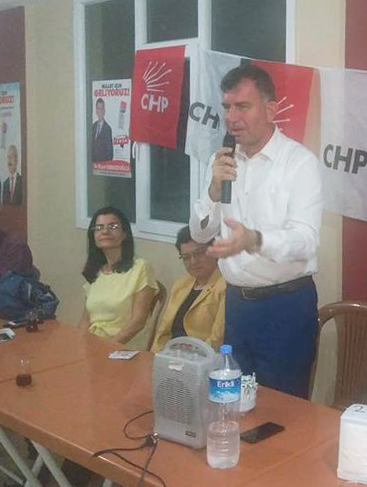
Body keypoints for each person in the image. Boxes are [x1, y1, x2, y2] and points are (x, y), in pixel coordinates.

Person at [189, 64, 323, 398]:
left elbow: (306, 241)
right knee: (233, 399)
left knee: (282, 410)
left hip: (286, 307)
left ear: (270, 110)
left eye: (243, 106)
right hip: (237, 304)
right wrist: (213, 191)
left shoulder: (299, 163)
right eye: (227, 107)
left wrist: (254, 239)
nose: (231, 117)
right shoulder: (221, 161)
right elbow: (200, 234)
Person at [77, 207, 157, 350]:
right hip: (93, 346)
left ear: (124, 233)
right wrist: (77, 346)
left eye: (113, 226)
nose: (105, 231)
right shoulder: (96, 273)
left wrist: (107, 347)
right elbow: (85, 321)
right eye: (99, 227)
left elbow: (138, 322)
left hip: (123, 349)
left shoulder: (141, 268)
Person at [151, 226, 226, 352]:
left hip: (201, 358)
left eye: (199, 253)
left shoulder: (225, 286)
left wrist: (188, 361)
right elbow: (163, 332)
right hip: (169, 355)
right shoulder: (180, 285)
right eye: (186, 257)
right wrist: (155, 357)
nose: (193, 262)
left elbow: (217, 339)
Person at [91, 98, 113, 163]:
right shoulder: (93, 127)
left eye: (101, 109)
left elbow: (110, 153)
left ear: (104, 111)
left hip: (103, 165)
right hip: (93, 165)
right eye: (98, 108)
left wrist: (104, 166)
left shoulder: (108, 129)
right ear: (96, 111)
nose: (100, 111)